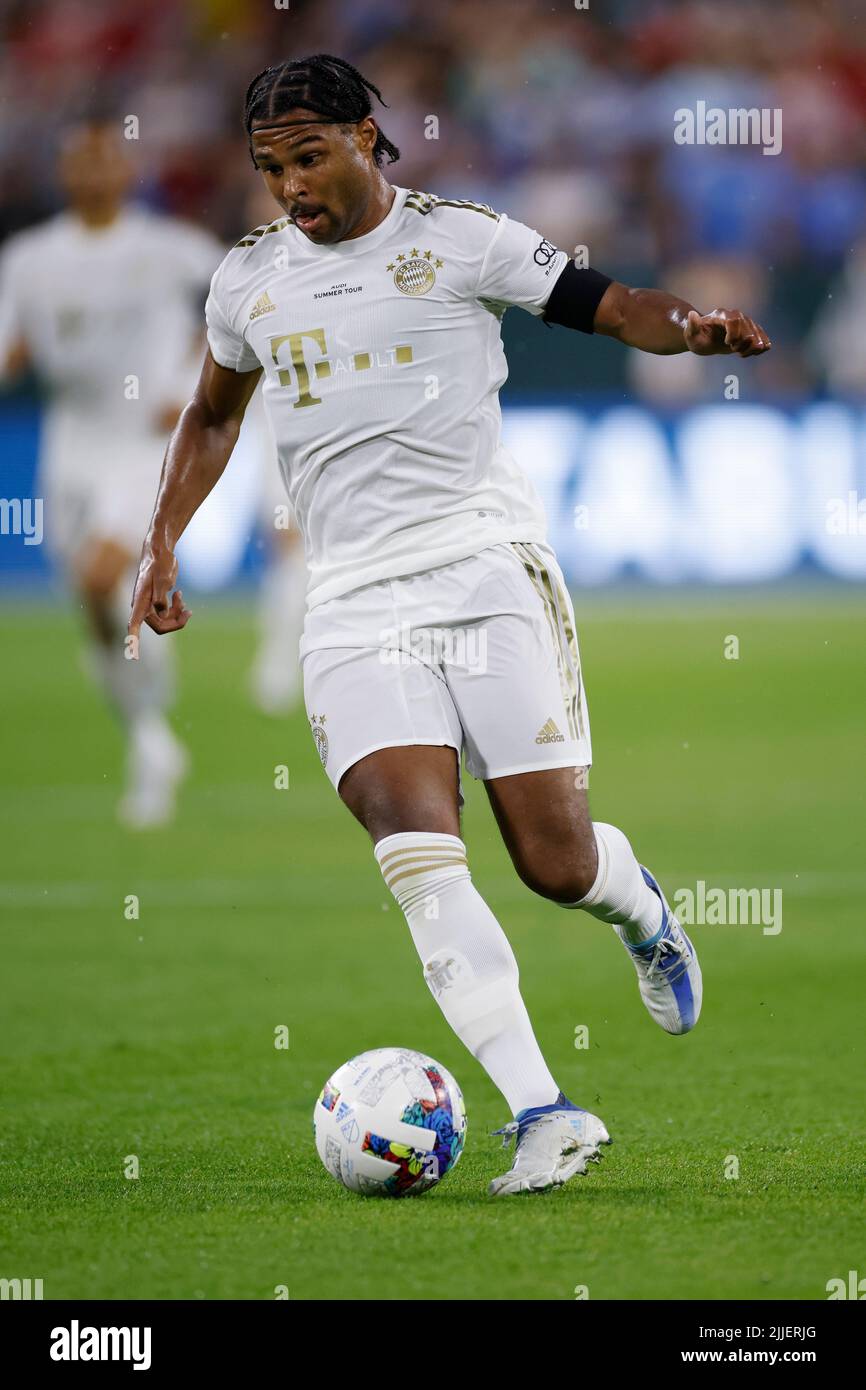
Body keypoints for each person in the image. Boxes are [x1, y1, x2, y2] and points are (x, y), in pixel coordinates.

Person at [128, 55, 771, 1194]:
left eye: (310, 156)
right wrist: (163, 537)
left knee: (554, 863)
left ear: (371, 137)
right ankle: (545, 1110)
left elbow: (614, 306)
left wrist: (698, 328)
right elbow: (212, 415)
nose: (291, 187)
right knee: (419, 858)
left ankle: (642, 914)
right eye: (270, 168)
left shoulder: (461, 239)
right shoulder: (247, 282)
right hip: (352, 602)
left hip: (484, 570)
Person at [0, 119, 224, 826]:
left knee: (104, 576)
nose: (94, 173)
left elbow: (240, 303)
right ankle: (150, 735)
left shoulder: (169, 247)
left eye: (106, 159)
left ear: (128, 170)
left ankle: (152, 732)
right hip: (71, 438)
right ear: (65, 173)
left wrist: (190, 379)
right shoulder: (31, 257)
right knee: (91, 601)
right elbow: (12, 348)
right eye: (80, 161)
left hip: (142, 441)